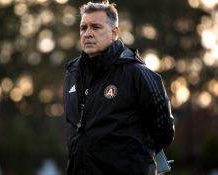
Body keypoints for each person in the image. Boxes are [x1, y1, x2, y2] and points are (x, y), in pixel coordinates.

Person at [63, 1, 175, 175]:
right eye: (83, 28)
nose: (88, 33)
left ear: (114, 33)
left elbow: (164, 130)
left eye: (96, 27)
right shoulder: (72, 74)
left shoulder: (137, 73)